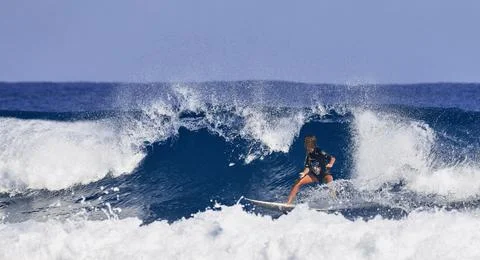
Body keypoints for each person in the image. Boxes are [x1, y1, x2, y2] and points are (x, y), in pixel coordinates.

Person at [286, 135, 336, 204]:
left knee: (330, 184)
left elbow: (332, 158)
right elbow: (307, 167)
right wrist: (303, 173)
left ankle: (335, 202)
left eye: (306, 143)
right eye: (305, 143)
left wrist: (330, 164)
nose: (305, 145)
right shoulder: (308, 155)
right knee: (297, 183)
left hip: (325, 174)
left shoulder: (319, 151)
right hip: (314, 175)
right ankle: (288, 204)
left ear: (311, 144)